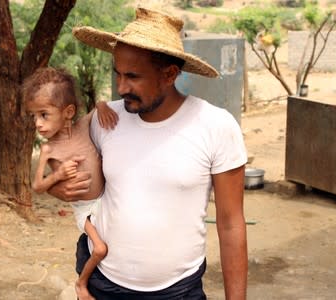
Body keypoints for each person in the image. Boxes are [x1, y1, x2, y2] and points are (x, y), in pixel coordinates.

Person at [50, 7, 248, 300]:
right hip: (102, 284)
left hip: (177, 290)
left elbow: (231, 224)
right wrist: (59, 186)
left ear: (169, 75)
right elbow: (55, 159)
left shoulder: (215, 126)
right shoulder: (105, 120)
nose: (121, 87)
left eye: (133, 76)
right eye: (117, 73)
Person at [22, 67, 118, 300]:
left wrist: (103, 105)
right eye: (33, 116)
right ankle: (81, 284)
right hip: (84, 209)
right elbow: (37, 186)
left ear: (68, 112)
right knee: (100, 248)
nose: (37, 123)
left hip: (105, 200)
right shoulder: (48, 149)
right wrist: (58, 175)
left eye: (43, 114)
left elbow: (99, 107)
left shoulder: (84, 127)